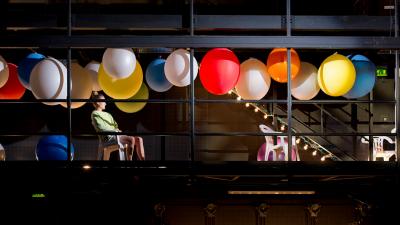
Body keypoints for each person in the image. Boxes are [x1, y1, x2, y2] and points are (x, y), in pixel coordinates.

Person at [91, 92, 145, 160]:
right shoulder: (95, 114)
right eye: (104, 101)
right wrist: (115, 130)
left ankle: (143, 161)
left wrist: (116, 130)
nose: (105, 103)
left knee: (139, 139)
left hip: (116, 134)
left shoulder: (108, 114)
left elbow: (115, 125)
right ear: (98, 102)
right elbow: (101, 128)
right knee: (131, 139)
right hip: (109, 137)